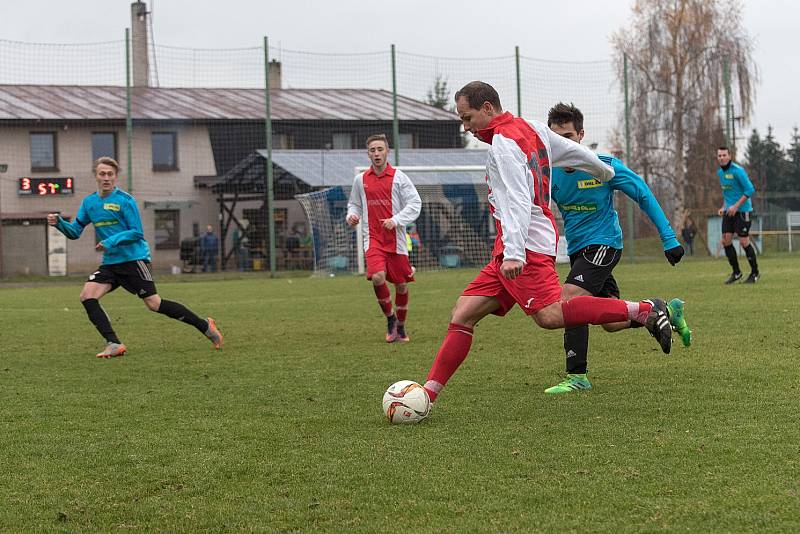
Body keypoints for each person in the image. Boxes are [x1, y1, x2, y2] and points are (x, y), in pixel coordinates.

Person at [420, 81, 680, 406]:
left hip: (524, 246)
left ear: (487, 108)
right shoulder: (530, 128)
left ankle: (644, 310)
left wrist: (514, 253)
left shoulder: (504, 144)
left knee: (551, 315)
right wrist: (601, 170)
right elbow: (570, 150)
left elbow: (517, 200)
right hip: (514, 245)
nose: (466, 126)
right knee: (463, 313)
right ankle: (426, 395)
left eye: (468, 117)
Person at [544, 102, 690, 394]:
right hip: (578, 251)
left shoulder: (603, 166)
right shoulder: (548, 173)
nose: (562, 146)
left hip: (604, 245)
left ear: (581, 135)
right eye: (555, 140)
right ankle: (660, 311)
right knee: (609, 322)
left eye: (568, 138)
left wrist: (669, 238)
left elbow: (642, 193)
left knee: (569, 301)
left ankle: (577, 376)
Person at [47, 156, 223, 358]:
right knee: (87, 296)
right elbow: (75, 232)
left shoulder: (125, 200)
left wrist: (111, 241)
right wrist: (59, 223)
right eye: (102, 173)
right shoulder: (89, 203)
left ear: (115, 177)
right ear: (95, 176)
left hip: (134, 259)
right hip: (111, 263)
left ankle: (205, 326)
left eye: (110, 174)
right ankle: (114, 343)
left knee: (154, 304)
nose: (106, 178)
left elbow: (137, 232)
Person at [346, 134, 421, 343]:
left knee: (402, 286)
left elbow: (415, 203)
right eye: (373, 150)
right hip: (373, 238)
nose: (377, 153)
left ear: (387, 151)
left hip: (396, 240)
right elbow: (354, 204)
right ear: (368, 153)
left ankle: (401, 326)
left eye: (380, 149)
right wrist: (351, 216)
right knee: (378, 277)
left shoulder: (399, 177)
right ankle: (390, 319)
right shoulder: (360, 179)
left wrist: (396, 220)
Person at [717, 146, 759, 283]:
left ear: (730, 156)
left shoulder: (738, 171)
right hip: (729, 212)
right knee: (726, 240)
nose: (722, 158)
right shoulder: (720, 173)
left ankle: (755, 273)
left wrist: (736, 206)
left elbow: (750, 190)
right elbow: (727, 194)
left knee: (743, 241)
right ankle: (736, 272)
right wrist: (724, 206)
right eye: (719, 155)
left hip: (742, 211)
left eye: (724, 155)